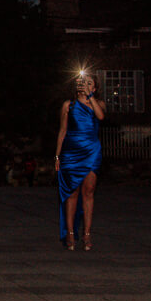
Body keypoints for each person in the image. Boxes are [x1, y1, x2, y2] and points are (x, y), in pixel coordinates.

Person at [55, 72, 105, 251]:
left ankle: (87, 233)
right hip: (71, 152)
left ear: (94, 87)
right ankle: (70, 233)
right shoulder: (69, 105)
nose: (85, 85)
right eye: (83, 82)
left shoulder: (98, 104)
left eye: (89, 83)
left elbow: (101, 117)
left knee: (89, 192)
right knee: (72, 192)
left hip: (91, 151)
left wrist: (90, 97)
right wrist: (57, 156)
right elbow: (62, 131)